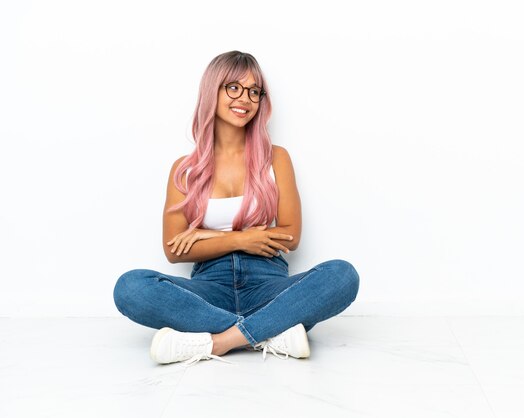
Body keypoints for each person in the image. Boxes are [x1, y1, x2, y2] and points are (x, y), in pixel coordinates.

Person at [113, 51, 360, 366]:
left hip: (267, 283)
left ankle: (219, 342)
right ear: (211, 91)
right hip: (207, 288)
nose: (245, 98)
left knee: (342, 276)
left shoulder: (276, 158)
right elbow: (174, 249)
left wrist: (201, 235)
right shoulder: (184, 170)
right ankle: (271, 330)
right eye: (233, 87)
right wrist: (241, 240)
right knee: (130, 287)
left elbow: (290, 236)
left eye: (254, 91)